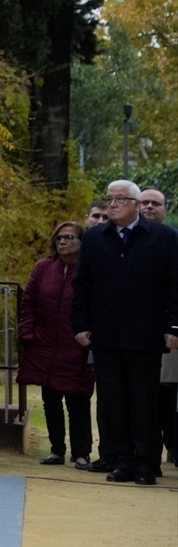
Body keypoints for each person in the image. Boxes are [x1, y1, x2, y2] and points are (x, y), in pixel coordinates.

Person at [72, 179, 178, 485]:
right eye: (109, 199)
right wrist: (80, 325)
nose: (113, 204)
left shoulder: (163, 237)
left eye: (120, 199)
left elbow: (174, 285)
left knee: (144, 400)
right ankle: (121, 460)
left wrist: (173, 326)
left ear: (136, 205)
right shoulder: (95, 238)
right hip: (106, 332)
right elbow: (82, 284)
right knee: (112, 401)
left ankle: (145, 463)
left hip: (146, 333)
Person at [18, 222, 95, 469]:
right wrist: (27, 333)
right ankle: (56, 450)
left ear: (82, 241)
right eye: (59, 238)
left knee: (77, 400)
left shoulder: (91, 269)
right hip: (44, 345)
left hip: (76, 345)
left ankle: (81, 453)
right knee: (50, 400)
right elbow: (28, 302)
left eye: (69, 237)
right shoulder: (43, 267)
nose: (63, 242)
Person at [143, 188, 178, 468]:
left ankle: (172, 447)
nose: (149, 207)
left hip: (168, 329)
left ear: (165, 209)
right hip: (136, 330)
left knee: (167, 391)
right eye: (144, 202)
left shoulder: (171, 239)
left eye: (156, 203)